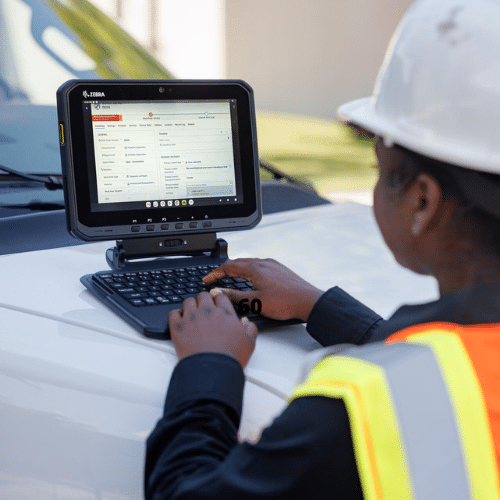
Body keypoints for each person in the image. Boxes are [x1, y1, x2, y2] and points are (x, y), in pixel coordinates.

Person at [144, 0, 500, 498]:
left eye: (379, 170)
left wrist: (207, 367)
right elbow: (464, 364)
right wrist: (320, 308)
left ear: (423, 201)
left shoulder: (356, 405)